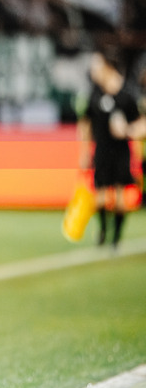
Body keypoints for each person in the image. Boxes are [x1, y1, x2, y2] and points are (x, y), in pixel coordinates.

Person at [79, 50, 145, 248]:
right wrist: (84, 151)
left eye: (96, 65)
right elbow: (85, 122)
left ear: (107, 66)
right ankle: (102, 231)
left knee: (118, 196)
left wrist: (128, 130)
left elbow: (141, 123)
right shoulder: (95, 94)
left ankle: (116, 237)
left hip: (120, 151)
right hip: (101, 150)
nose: (93, 70)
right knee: (99, 195)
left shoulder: (127, 95)